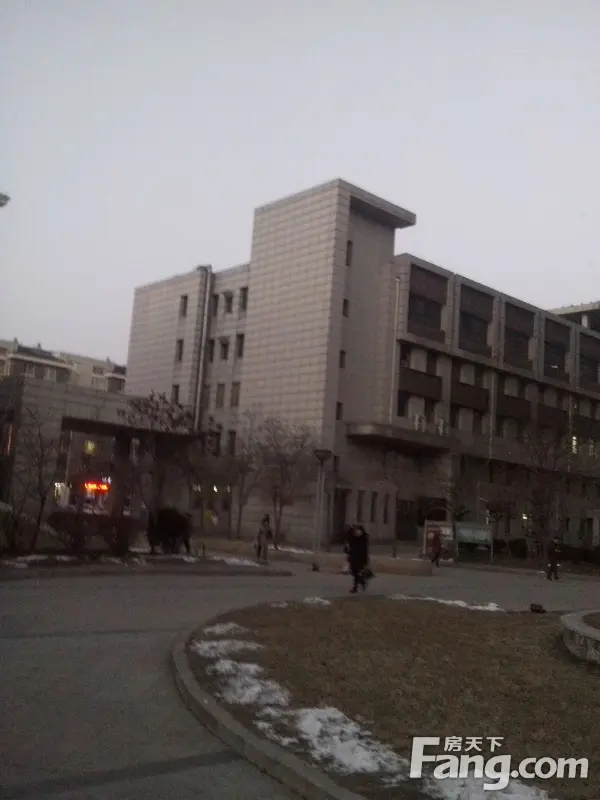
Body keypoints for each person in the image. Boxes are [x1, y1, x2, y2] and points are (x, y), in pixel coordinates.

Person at [346, 524, 370, 593]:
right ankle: (362, 581)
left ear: (362, 531)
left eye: (359, 531)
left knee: (357, 572)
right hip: (353, 557)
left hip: (360, 559)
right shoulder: (353, 538)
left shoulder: (364, 539)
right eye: (356, 531)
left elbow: (365, 551)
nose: (357, 532)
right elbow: (349, 547)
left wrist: (365, 561)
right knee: (354, 572)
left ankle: (355, 587)